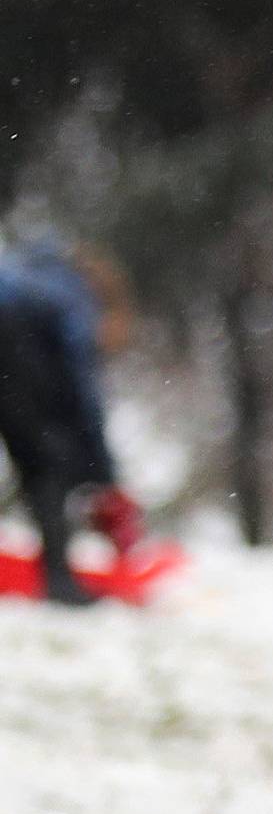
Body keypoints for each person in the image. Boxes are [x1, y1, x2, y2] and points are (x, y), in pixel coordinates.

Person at [0, 240, 142, 604]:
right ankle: (60, 584)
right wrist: (105, 474)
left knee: (39, 454)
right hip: (11, 344)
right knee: (47, 465)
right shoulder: (72, 298)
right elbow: (83, 393)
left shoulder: (32, 275)